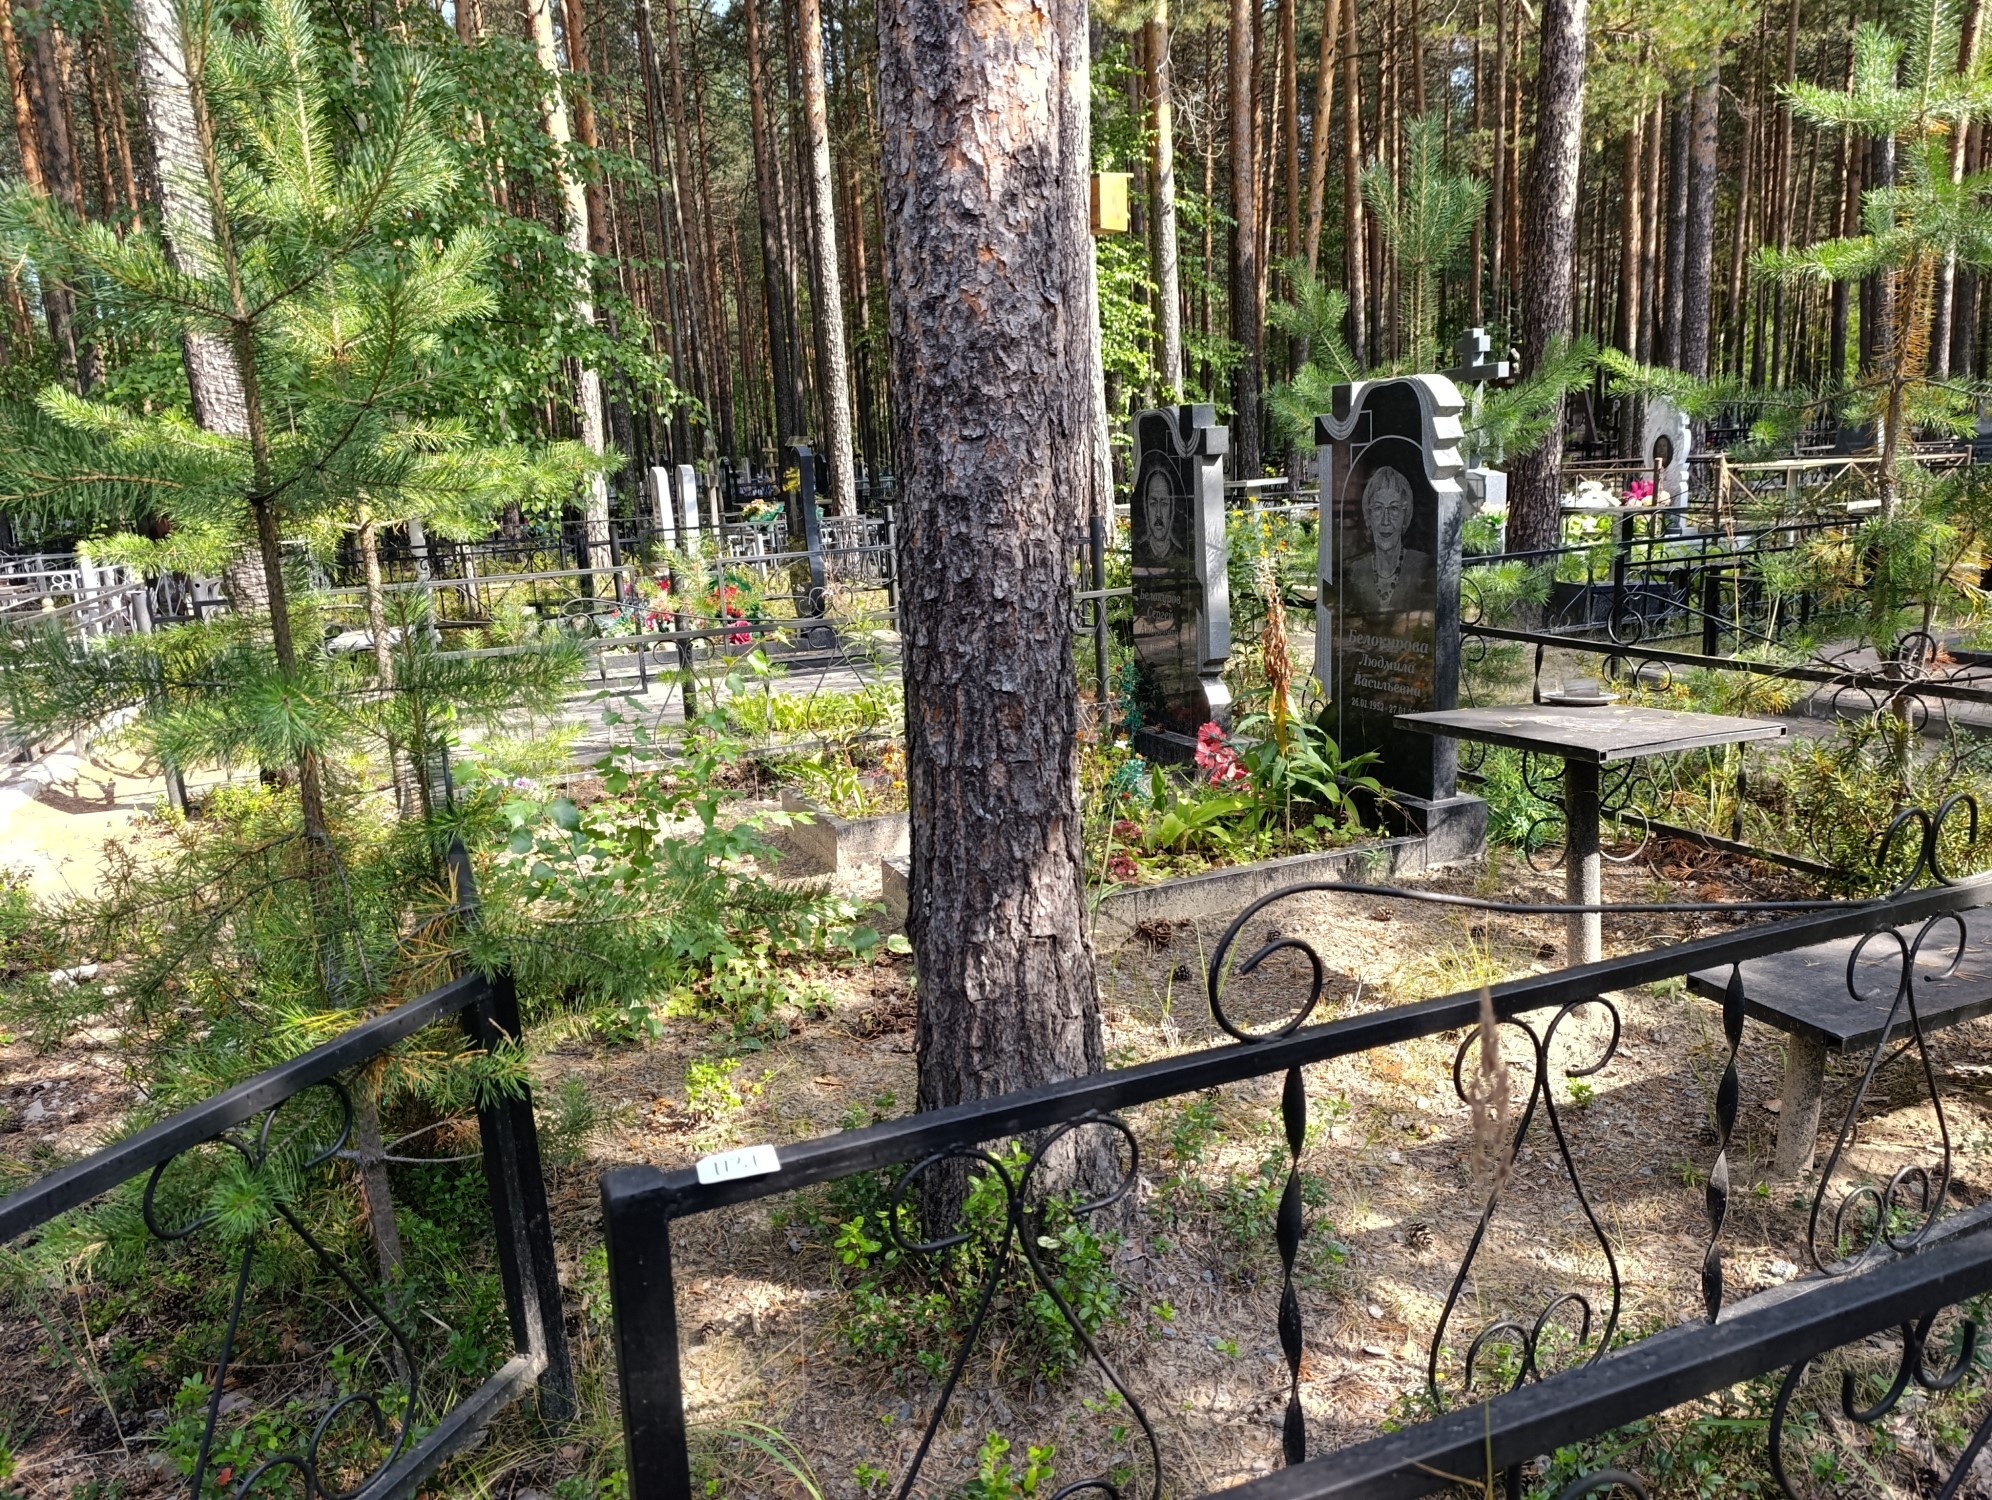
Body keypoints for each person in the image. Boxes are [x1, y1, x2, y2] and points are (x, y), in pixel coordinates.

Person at [1342, 464, 1434, 616]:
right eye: (1378, 508)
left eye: (1394, 509)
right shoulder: (1355, 570)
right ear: (1369, 516)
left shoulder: (1422, 565)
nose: (1386, 520)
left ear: (1405, 515)